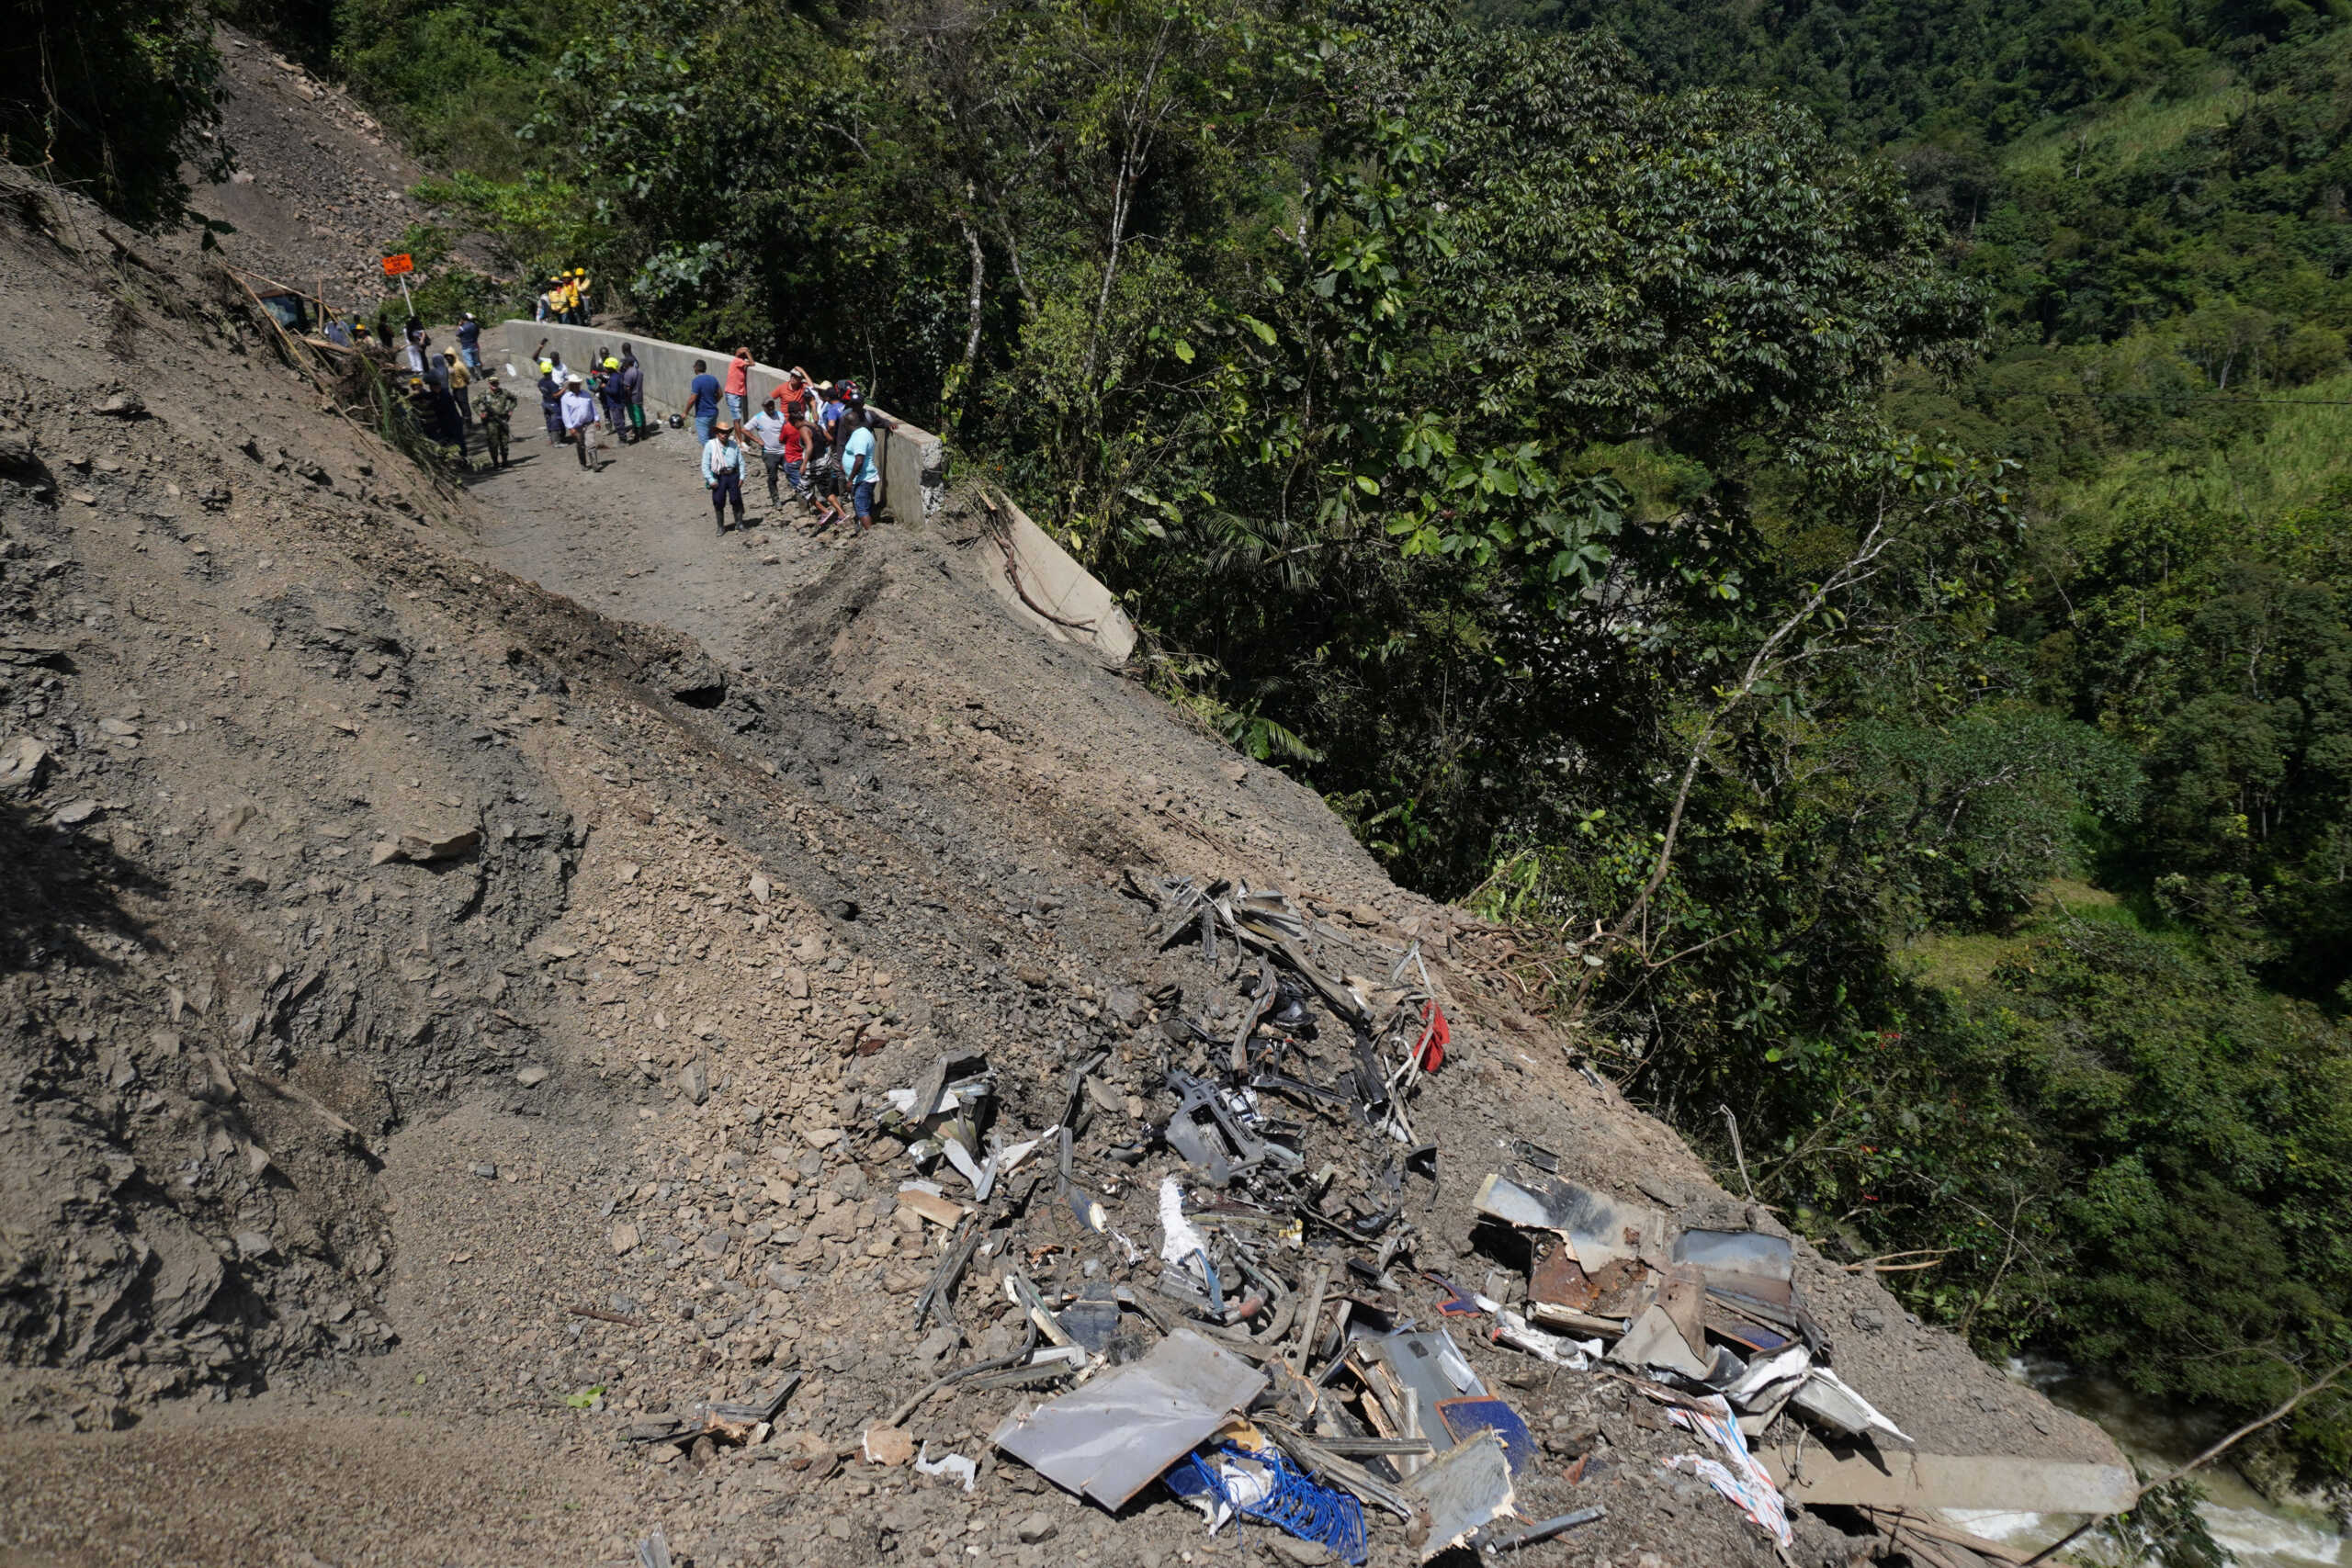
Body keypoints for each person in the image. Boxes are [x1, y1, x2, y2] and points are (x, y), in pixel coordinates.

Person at [702, 418, 746, 535]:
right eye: (722, 432)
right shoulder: (710, 445)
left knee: (736, 499)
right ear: (717, 433)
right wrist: (710, 479)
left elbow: (741, 461)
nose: (724, 435)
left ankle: (739, 523)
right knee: (718, 500)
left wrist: (742, 476)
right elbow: (705, 465)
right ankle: (720, 526)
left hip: (733, 475)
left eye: (726, 432)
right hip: (719, 477)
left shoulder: (733, 445)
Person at [745, 397, 791, 508]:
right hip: (769, 453)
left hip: (784, 451)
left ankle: (801, 495)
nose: (770, 407)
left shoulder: (780, 415)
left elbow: (787, 428)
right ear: (763, 407)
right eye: (768, 405)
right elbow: (745, 429)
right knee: (773, 477)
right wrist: (757, 440)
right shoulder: (758, 418)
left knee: (791, 472)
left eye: (772, 405)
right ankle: (776, 500)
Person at [840, 405, 879, 529]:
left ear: (848, 423)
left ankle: (871, 536)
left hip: (863, 478)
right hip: (863, 478)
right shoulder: (861, 432)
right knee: (865, 505)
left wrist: (850, 480)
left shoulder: (860, 437)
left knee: (861, 508)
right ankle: (868, 528)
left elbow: (859, 460)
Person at [560, 375, 602, 470]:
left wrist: (597, 419)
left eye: (578, 384)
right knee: (580, 445)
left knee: (591, 443)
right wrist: (570, 428)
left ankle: (595, 464)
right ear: (570, 385)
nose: (576, 386)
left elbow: (592, 408)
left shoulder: (586, 394)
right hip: (576, 426)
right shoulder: (565, 398)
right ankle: (583, 463)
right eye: (574, 384)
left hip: (588, 423)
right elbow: (565, 415)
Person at [476, 375, 516, 469]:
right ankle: (495, 463)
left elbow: (514, 399)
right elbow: (474, 403)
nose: (494, 385)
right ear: (489, 384)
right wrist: (480, 414)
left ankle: (505, 461)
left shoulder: (504, 392)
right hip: (490, 422)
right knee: (493, 443)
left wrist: (510, 410)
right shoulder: (484, 394)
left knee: (504, 443)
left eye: (496, 383)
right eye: (492, 383)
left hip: (503, 420)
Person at [687, 358, 721, 445]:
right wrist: (713, 403)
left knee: (704, 441)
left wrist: (685, 412)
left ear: (696, 368)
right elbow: (720, 394)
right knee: (712, 437)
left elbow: (692, 399)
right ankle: (717, 456)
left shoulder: (696, 381)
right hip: (713, 413)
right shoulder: (713, 379)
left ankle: (713, 457)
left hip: (703, 415)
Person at [599, 355, 630, 444]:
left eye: (606, 367)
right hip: (619, 402)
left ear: (610, 368)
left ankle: (623, 440)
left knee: (618, 422)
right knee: (621, 420)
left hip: (615, 403)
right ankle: (623, 437)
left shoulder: (613, 378)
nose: (605, 368)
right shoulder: (618, 375)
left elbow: (614, 391)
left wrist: (604, 387)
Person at [722, 345, 753, 427]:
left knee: (737, 419)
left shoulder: (738, 361)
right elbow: (752, 363)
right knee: (737, 419)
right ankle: (739, 439)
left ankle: (737, 438)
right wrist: (747, 352)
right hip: (733, 394)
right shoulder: (738, 361)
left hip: (735, 393)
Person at [619, 351, 646, 444]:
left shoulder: (628, 373)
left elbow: (627, 388)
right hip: (639, 396)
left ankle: (638, 436)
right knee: (640, 414)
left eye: (624, 362)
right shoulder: (639, 372)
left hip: (632, 398)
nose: (623, 364)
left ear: (627, 363)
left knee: (635, 416)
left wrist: (627, 397)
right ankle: (643, 433)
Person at [537, 363, 564, 446]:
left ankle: (551, 439)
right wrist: (565, 388)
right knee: (555, 422)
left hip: (545, 403)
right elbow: (555, 395)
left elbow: (540, 388)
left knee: (548, 421)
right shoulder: (551, 383)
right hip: (552, 404)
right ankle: (557, 442)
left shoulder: (541, 381)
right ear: (551, 370)